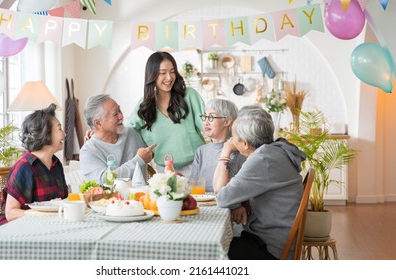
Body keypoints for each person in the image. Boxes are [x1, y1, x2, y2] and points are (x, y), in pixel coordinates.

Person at [213, 105, 307, 260]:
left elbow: (222, 198)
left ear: (245, 143)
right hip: (275, 238)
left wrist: (225, 151)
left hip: (270, 249)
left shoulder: (262, 160)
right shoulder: (275, 151)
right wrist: (239, 203)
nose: (231, 141)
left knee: (212, 251)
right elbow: (237, 194)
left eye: (233, 137)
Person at [129, 51, 205, 177]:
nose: (169, 77)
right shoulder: (144, 105)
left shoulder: (189, 95)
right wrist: (97, 134)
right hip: (165, 172)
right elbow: (127, 131)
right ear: (152, 75)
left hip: (197, 167)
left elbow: (209, 125)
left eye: (172, 71)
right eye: (163, 73)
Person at [0, 103, 68, 226]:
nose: (64, 134)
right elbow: (11, 213)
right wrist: (40, 214)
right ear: (45, 133)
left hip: (46, 227)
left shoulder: (56, 164)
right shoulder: (24, 168)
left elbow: (62, 201)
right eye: (60, 128)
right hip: (15, 232)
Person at [80, 94, 156, 183]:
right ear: (98, 123)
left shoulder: (132, 133)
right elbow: (104, 180)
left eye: (119, 110)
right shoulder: (88, 151)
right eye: (115, 114)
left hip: (141, 196)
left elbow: (153, 150)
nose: (121, 116)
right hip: (110, 197)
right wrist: (139, 160)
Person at [190, 98, 245, 192]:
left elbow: (229, 189)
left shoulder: (237, 150)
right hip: (201, 203)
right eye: (205, 117)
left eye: (211, 117)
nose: (206, 122)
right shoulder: (201, 151)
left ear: (227, 122)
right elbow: (193, 185)